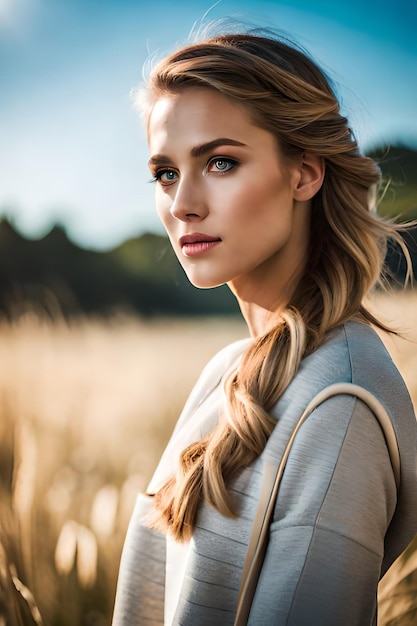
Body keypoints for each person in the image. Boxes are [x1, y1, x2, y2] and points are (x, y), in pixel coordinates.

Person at [112, 28, 417, 625]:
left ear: (305, 173)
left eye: (220, 162)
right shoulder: (226, 370)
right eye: (165, 173)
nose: (183, 204)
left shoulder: (339, 406)